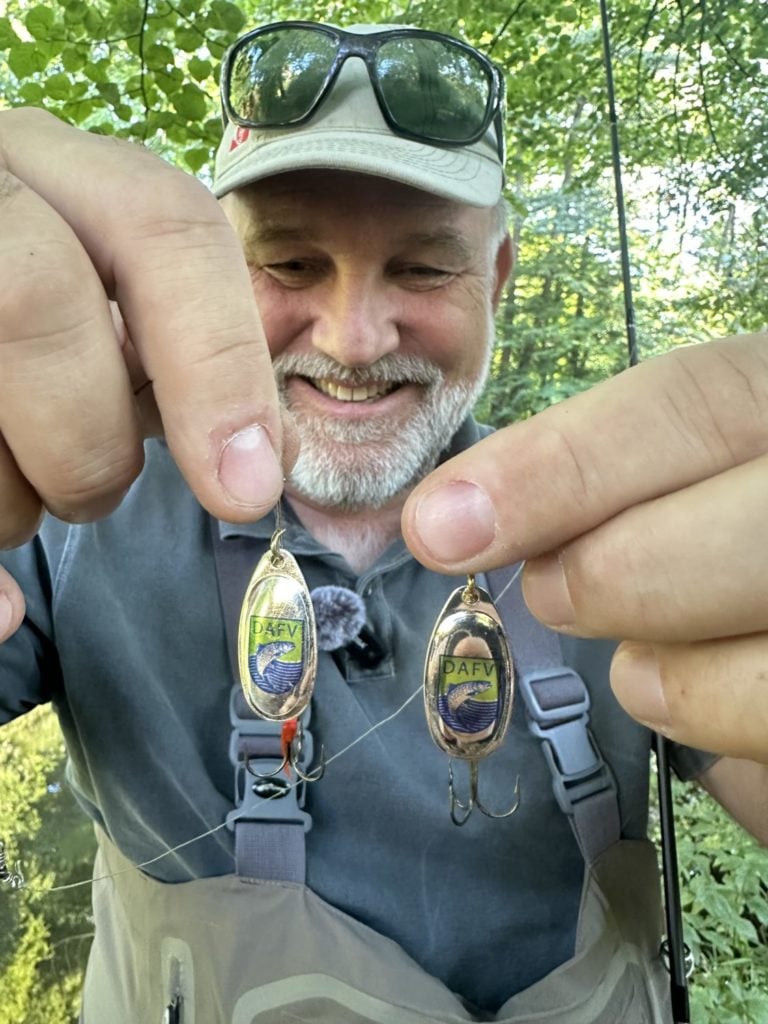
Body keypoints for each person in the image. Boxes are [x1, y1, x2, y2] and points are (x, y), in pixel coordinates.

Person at [0, 18, 765, 1024]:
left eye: (421, 268)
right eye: (291, 264)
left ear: (494, 282)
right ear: (215, 274)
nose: (354, 339)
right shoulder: (70, 517)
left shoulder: (636, 535)